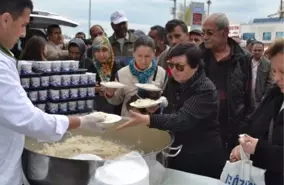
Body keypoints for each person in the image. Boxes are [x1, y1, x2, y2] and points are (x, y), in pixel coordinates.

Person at [0, 0, 105, 184]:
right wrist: (81, 121)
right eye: (23, 25)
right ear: (6, 20)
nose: (23, 34)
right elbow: (28, 119)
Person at [117, 43, 225, 179]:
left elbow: (182, 119)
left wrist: (149, 119)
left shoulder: (205, 89)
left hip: (201, 155)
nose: (174, 70)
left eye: (180, 66)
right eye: (171, 65)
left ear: (196, 66)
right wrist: (156, 107)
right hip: (178, 149)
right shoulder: (175, 81)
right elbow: (170, 106)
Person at [230, 39, 284, 184]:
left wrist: (258, 148)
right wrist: (242, 145)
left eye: (283, 72)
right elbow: (253, 123)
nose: (277, 78)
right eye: (273, 71)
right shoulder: (276, 93)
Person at [201, 13, 253, 155]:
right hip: (203, 124)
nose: (205, 37)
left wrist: (246, 127)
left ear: (225, 32)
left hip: (233, 126)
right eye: (203, 32)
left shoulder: (244, 57)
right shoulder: (198, 55)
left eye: (210, 33)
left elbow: (248, 94)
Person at [105, 35, 167, 116]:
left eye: (147, 56)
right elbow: (116, 101)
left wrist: (159, 104)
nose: (143, 61)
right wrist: (110, 94)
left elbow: (166, 100)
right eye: (139, 56)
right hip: (129, 119)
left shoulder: (161, 73)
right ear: (133, 53)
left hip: (154, 122)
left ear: (154, 53)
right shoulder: (122, 73)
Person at [88, 36, 123, 114]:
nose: (101, 54)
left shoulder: (118, 68)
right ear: (93, 52)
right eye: (97, 50)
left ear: (110, 50)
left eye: (104, 50)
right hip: (97, 112)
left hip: (116, 111)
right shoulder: (91, 69)